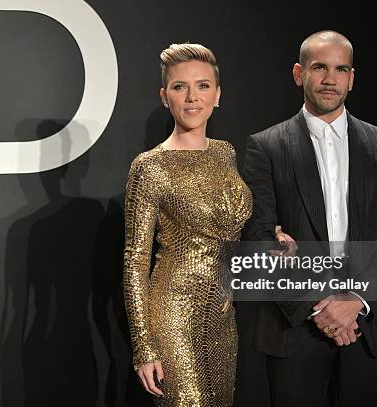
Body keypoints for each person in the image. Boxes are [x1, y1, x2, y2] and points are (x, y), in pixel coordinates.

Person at [243, 30, 377, 406]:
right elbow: (260, 237)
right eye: (319, 67)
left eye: (341, 69)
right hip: (293, 328)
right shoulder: (265, 147)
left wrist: (356, 298)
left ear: (352, 77)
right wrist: (321, 304)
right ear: (298, 73)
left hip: (366, 327)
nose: (330, 78)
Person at [122, 43, 253, 406]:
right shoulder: (150, 167)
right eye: (180, 87)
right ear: (165, 97)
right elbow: (135, 262)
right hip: (173, 316)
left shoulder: (226, 153)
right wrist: (144, 347)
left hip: (225, 317)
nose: (192, 97)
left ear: (217, 94)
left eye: (203, 86)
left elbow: (232, 229)